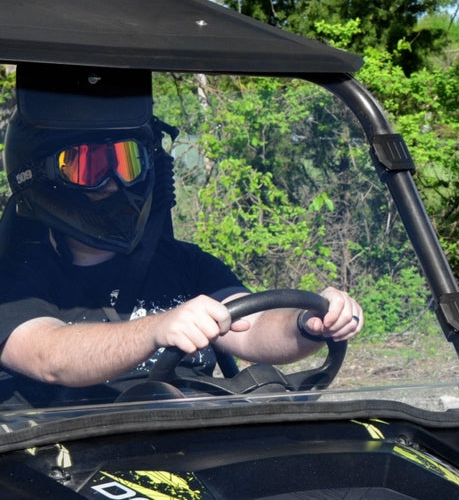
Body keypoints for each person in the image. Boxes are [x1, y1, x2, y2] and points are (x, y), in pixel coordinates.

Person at [0, 65, 363, 407]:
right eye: (89, 167)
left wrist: (308, 323)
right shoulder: (16, 277)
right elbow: (49, 355)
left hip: (189, 439)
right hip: (71, 455)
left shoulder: (183, 264)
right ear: (41, 175)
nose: (115, 183)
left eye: (129, 162)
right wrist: (156, 330)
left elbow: (252, 328)